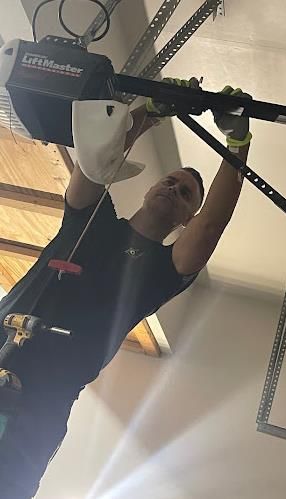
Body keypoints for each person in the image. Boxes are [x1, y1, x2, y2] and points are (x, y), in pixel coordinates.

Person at [0, 78, 252, 498]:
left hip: (39, 402)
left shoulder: (164, 269)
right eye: (170, 180)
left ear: (187, 216)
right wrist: (147, 110)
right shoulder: (90, 221)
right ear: (151, 185)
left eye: (186, 193)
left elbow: (212, 225)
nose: (174, 187)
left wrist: (238, 140)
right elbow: (95, 165)